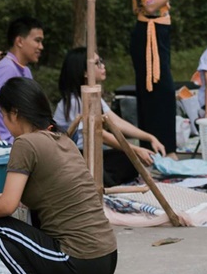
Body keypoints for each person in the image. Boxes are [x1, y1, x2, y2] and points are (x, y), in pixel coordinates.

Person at [0, 78, 118, 274]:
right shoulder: (62, 139)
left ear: (15, 113)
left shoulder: (25, 143)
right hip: (106, 260)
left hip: (81, 263)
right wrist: (0, 201)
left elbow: (8, 206)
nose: (3, 121)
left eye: (3, 115)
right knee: (29, 215)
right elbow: (48, 193)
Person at [55, 48, 164, 188]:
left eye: (101, 61)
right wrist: (135, 150)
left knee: (127, 161)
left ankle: (100, 181)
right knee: (119, 163)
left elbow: (116, 122)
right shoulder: (74, 101)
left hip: (92, 152)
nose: (103, 66)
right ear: (85, 72)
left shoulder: (94, 96)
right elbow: (100, 135)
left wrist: (149, 137)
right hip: (73, 157)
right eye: (97, 63)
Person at [128, 0, 182, 155]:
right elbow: (151, 6)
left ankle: (158, 148)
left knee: (158, 92)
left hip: (154, 34)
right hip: (150, 34)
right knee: (161, 92)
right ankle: (162, 149)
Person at [0, 16, 45, 142]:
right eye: (37, 40)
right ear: (19, 41)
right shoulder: (6, 69)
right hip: (8, 149)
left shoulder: (25, 70)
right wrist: (1, 150)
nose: (41, 47)